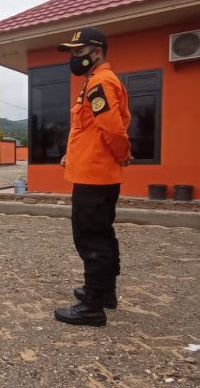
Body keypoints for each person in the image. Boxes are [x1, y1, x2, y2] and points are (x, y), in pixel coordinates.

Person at [53, 27, 132, 326]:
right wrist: (70, 155)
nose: (74, 58)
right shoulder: (99, 82)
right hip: (95, 171)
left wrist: (122, 153)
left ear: (96, 52)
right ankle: (104, 292)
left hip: (94, 176)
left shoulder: (100, 83)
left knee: (91, 238)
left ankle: (92, 307)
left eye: (78, 52)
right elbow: (91, 130)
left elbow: (113, 128)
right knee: (103, 234)